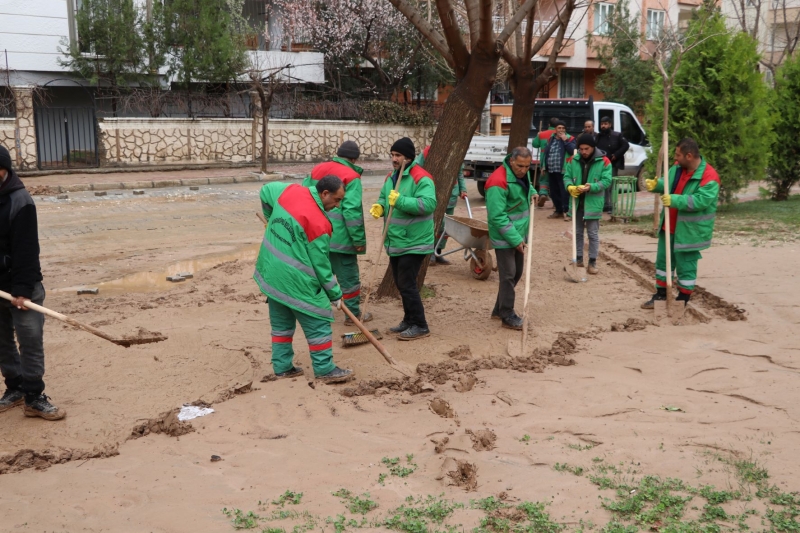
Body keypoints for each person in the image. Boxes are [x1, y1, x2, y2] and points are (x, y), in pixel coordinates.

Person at [253, 175, 354, 383]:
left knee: (282, 324)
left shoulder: (290, 191)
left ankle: (282, 367)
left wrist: (270, 220)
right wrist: (335, 294)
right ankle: (324, 370)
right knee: (319, 320)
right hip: (295, 280)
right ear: (324, 194)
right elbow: (321, 266)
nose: (337, 206)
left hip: (271, 275)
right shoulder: (318, 224)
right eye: (337, 200)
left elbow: (265, 191)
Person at [0, 145, 65, 420]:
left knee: (30, 340)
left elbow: (27, 249)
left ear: (3, 170)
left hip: (23, 285)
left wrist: (23, 291)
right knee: (2, 342)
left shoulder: (20, 200)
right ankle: (14, 387)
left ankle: (34, 396)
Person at [641, 138, 720, 309]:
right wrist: (657, 185)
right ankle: (661, 295)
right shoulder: (677, 168)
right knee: (663, 263)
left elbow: (700, 201)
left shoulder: (709, 177)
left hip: (689, 231)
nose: (675, 158)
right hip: (668, 226)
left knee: (686, 266)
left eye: (678, 155)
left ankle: (682, 299)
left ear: (689, 156)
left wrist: (675, 200)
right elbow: (668, 184)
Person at [370, 137, 436, 341]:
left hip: (415, 241)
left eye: (398, 155)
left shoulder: (421, 178)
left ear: (408, 157)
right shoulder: (391, 177)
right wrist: (381, 207)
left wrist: (400, 201)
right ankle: (409, 320)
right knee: (401, 283)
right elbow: (384, 198)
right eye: (392, 155)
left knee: (407, 284)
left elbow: (428, 204)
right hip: (396, 240)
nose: (394, 159)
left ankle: (420, 325)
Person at [302, 141, 371, 326]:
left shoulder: (317, 169)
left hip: (317, 235)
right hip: (341, 240)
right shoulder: (352, 176)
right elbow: (351, 211)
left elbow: (305, 196)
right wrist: (358, 240)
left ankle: (314, 310)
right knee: (349, 278)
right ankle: (353, 315)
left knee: (319, 274)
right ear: (354, 159)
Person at [485, 147, 538, 330]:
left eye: (527, 166)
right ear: (512, 161)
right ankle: (507, 314)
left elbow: (525, 186)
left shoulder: (522, 173)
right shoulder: (497, 182)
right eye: (520, 166)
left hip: (519, 232)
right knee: (508, 275)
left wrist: (532, 192)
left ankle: (498, 309)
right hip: (504, 235)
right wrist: (515, 239)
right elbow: (497, 216)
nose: (523, 170)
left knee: (516, 273)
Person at [563, 134, 613, 274]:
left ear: (593, 147)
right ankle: (578, 260)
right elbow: (567, 177)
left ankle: (592, 262)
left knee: (592, 233)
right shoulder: (573, 160)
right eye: (581, 149)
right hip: (577, 202)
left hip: (593, 203)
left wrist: (592, 186)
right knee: (578, 232)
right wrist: (570, 187)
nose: (583, 152)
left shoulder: (604, 161)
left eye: (587, 149)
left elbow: (606, 181)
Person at [414, 145, 467, 265]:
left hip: (451, 196)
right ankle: (430, 253)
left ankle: (438, 252)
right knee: (435, 225)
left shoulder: (457, 153)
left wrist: (463, 189)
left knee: (445, 228)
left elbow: (459, 174)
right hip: (434, 195)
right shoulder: (429, 151)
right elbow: (416, 167)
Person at [594, 116, 630, 213]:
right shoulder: (598, 136)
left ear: (610, 125)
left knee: (610, 185)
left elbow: (626, 145)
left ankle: (611, 205)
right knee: (602, 184)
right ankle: (605, 205)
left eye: (605, 124)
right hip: (601, 164)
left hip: (612, 164)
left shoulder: (617, 135)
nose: (603, 126)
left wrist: (616, 155)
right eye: (602, 124)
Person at [543, 121, 576, 220]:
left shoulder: (570, 138)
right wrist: (543, 165)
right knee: (554, 192)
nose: (561, 130)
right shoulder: (551, 139)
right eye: (559, 128)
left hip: (564, 170)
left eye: (563, 128)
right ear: (555, 129)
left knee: (564, 192)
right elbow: (546, 153)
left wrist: (565, 141)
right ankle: (558, 210)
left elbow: (573, 151)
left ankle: (566, 211)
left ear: (565, 130)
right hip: (552, 169)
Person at [531, 117, 559, 208]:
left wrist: (538, 135)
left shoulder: (542, 134)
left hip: (544, 162)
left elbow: (535, 144)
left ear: (549, 125)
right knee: (556, 182)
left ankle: (543, 194)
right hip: (557, 162)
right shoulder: (559, 134)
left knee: (544, 180)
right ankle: (556, 202)